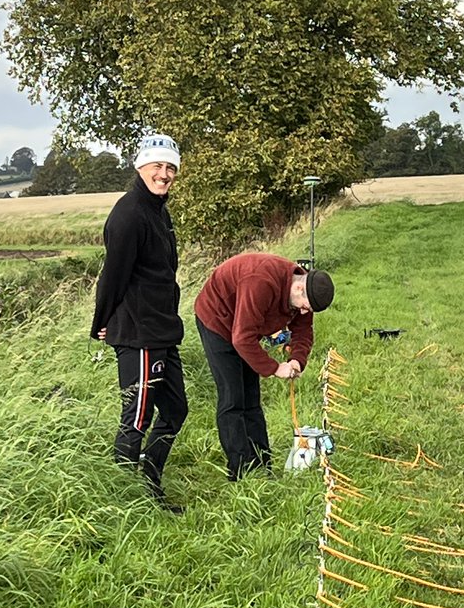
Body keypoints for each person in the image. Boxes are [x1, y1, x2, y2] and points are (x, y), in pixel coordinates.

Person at [90, 133, 188, 512]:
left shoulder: (158, 210)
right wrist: (102, 321)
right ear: (140, 167)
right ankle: (128, 501)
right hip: (139, 332)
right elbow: (113, 275)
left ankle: (149, 481)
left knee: (176, 410)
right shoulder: (129, 214)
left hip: (162, 327)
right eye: (157, 166)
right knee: (137, 418)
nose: (163, 174)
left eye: (170, 168)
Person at [194, 253, 334, 480]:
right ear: (299, 289)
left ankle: (262, 464)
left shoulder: (305, 291)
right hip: (217, 320)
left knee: (251, 397)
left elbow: (303, 331)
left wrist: (297, 359)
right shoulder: (261, 281)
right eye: (305, 307)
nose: (305, 312)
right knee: (233, 398)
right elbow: (241, 338)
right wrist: (274, 368)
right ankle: (241, 472)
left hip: (246, 326)